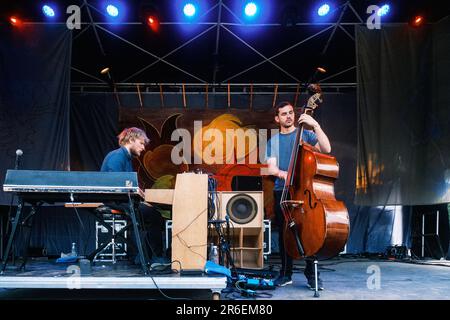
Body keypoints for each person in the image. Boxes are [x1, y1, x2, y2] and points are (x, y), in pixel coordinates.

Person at [265, 101, 331, 289]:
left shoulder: (306, 135)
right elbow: (271, 168)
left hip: (305, 191)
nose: (288, 116)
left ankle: (311, 273)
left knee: (309, 231)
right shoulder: (274, 141)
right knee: (285, 233)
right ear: (277, 118)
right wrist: (284, 174)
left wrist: (315, 125)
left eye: (291, 113)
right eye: (284, 114)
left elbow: (327, 149)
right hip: (283, 191)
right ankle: (286, 274)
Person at [100, 127, 165, 265]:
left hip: (123, 200)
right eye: (141, 143)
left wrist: (139, 196)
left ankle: (144, 257)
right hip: (116, 201)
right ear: (131, 140)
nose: (143, 148)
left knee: (151, 213)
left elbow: (128, 185)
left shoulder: (127, 158)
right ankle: (155, 258)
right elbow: (115, 186)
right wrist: (139, 199)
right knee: (154, 215)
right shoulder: (117, 156)